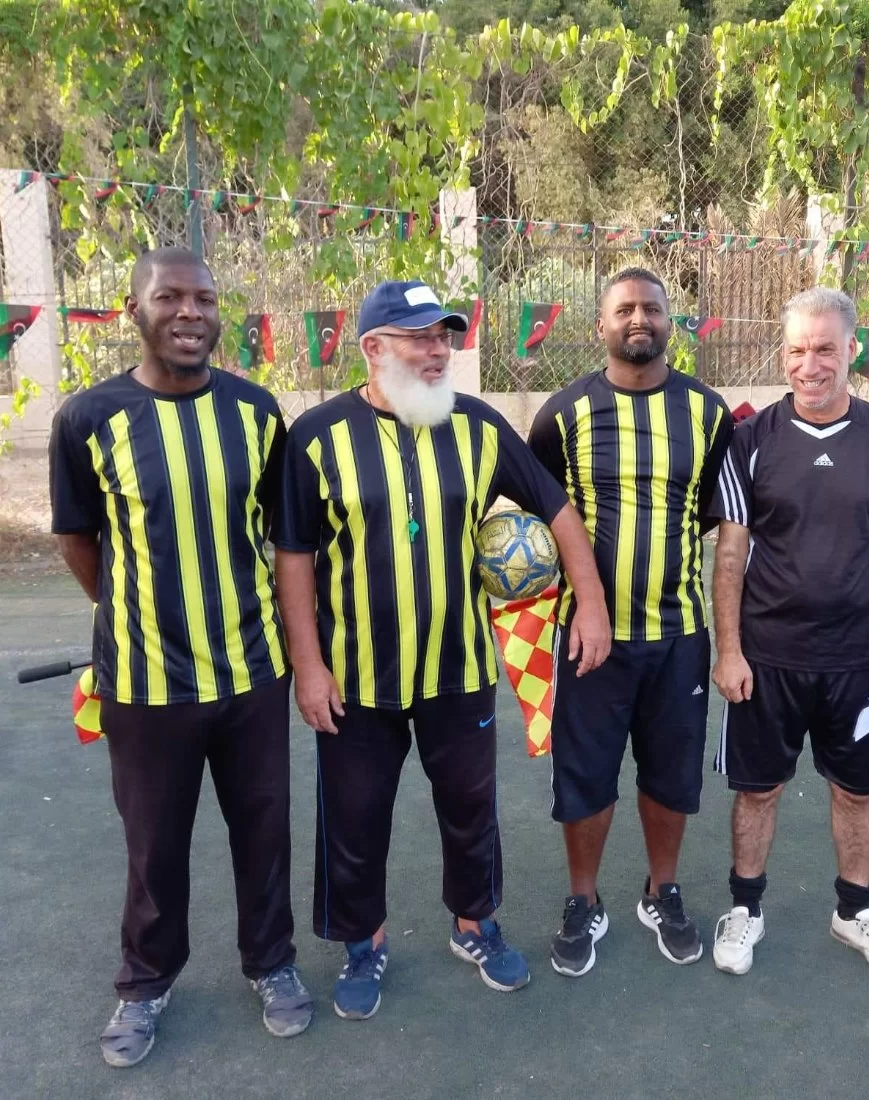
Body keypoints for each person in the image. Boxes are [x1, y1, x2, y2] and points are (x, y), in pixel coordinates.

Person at [273, 280, 611, 1020]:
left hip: (458, 670)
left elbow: (556, 509)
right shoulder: (317, 437)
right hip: (355, 676)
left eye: (444, 336)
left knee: (470, 807)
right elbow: (293, 556)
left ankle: (474, 926)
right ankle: (363, 944)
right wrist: (308, 665)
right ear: (373, 348)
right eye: (420, 337)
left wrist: (589, 601)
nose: (439, 350)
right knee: (356, 813)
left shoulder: (478, 426)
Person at [49, 247, 313, 1068]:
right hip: (143, 681)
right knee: (153, 845)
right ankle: (145, 983)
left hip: (251, 670)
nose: (190, 312)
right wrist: (133, 611)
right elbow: (77, 538)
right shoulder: (88, 418)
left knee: (263, 832)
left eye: (204, 298)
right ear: (135, 310)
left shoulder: (256, 412)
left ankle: (271, 964)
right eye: (169, 297)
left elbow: (283, 536)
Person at [708, 287, 869, 979]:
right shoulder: (749, 441)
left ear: (852, 350)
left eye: (825, 349)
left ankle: (853, 910)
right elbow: (731, 552)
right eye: (797, 350)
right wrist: (728, 650)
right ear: (783, 354)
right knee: (758, 790)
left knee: (856, 791)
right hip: (766, 656)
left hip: (857, 660)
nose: (810, 365)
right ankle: (745, 909)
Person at [528, 268, 733, 977]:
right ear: (601, 325)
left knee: (671, 777)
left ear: (670, 321)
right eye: (624, 310)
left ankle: (660, 890)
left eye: (651, 308)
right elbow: (541, 510)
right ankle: (583, 899)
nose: (638, 319)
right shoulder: (562, 414)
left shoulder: (707, 413)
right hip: (590, 640)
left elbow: (711, 510)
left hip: (679, 634)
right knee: (584, 778)